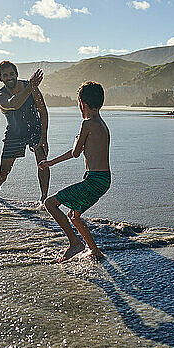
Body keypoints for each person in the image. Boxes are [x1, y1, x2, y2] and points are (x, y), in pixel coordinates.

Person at [39, 82, 111, 263]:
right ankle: (94, 250)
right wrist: (50, 163)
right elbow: (78, 152)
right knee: (74, 216)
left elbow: (75, 152)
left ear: (81, 103)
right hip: (103, 179)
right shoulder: (102, 124)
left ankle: (75, 244)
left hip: (95, 180)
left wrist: (76, 139)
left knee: (50, 203)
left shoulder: (87, 124)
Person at [0, 60, 50, 203]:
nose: (9, 77)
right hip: (14, 133)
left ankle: (44, 199)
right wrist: (31, 86)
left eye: (11, 74)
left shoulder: (30, 86)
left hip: (35, 129)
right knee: (4, 171)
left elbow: (43, 111)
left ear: (16, 74)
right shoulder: (0, 96)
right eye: (5, 75)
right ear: (0, 78)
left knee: (42, 161)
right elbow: (14, 104)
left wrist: (44, 137)